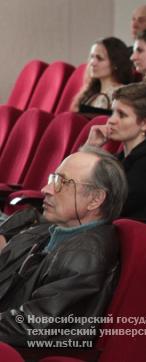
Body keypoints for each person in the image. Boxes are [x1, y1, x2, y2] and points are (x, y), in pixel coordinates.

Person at [0, 148, 125, 345]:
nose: (46, 189)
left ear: (95, 200)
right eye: (52, 179)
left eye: (61, 182)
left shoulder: (86, 256)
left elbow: (30, 326)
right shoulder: (53, 230)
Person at [86, 83, 146, 219]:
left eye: (122, 115)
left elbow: (110, 205)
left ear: (145, 124)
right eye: (113, 113)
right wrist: (91, 147)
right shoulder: (123, 156)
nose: (111, 121)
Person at [71, 37, 134, 114]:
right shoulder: (90, 91)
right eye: (92, 57)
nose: (92, 62)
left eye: (99, 58)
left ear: (115, 64)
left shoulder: (120, 95)